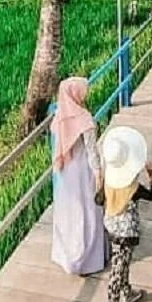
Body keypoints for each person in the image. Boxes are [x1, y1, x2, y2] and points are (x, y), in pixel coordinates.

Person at [99, 126, 152, 302]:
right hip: (127, 234)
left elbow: (98, 199)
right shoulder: (133, 189)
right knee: (117, 271)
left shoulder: (109, 182)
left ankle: (127, 293)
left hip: (112, 228)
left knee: (123, 263)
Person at [50, 77, 107, 276]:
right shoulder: (84, 119)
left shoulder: (59, 117)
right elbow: (92, 152)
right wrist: (99, 175)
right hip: (83, 171)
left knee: (70, 212)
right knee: (88, 211)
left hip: (66, 172)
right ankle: (88, 259)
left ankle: (67, 256)